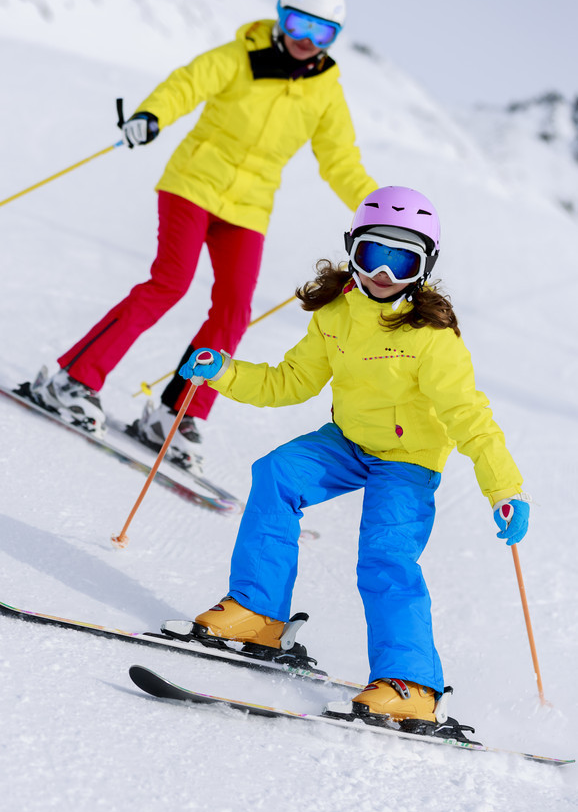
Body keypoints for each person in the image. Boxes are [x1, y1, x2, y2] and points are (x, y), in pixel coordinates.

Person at [176, 185, 530, 736]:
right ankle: (258, 615)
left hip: (408, 460)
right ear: (352, 251)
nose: (385, 272)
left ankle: (409, 684)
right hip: (347, 441)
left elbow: (469, 416)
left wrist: (503, 487)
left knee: (386, 555)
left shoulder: (432, 337)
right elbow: (291, 381)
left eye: (402, 259)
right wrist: (224, 371)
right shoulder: (337, 312)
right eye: (373, 254)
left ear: (425, 266)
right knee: (277, 472)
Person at [29, 0, 377, 469]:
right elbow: (185, 84)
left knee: (234, 307)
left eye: (321, 33)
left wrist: (378, 210)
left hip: (249, 208)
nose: (305, 38)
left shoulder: (326, 95)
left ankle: (175, 414)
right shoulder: (239, 56)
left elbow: (340, 161)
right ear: (279, 17)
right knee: (170, 282)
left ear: (332, 39)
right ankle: (73, 380)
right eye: (298, 22)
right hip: (193, 184)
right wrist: (151, 115)